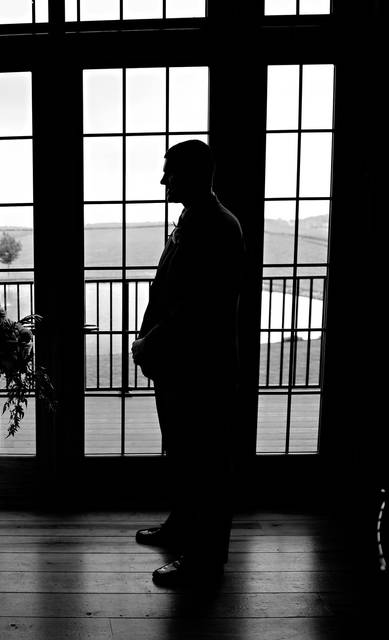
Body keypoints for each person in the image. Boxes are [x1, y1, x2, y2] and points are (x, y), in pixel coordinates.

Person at [130, 140, 245, 587]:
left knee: (206, 464)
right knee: (183, 452)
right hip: (180, 365)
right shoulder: (192, 218)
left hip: (203, 368)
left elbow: (200, 308)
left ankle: (202, 560)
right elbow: (169, 290)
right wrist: (148, 340)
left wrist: (150, 343)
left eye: (170, 172)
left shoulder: (217, 225)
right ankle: (181, 525)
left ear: (196, 174)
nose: (163, 181)